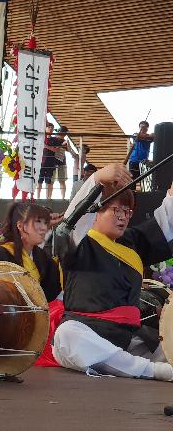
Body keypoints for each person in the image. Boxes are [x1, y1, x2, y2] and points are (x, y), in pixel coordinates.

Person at [52, 163, 173, 381]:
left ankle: (137, 367)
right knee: (67, 335)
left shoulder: (132, 242)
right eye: (116, 210)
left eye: (127, 211)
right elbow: (73, 220)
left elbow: (164, 222)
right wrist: (97, 179)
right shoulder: (79, 242)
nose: (123, 216)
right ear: (95, 212)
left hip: (127, 339)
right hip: (86, 334)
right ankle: (152, 370)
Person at [0, 203, 63, 303]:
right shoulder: (1, 255)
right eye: (37, 222)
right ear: (20, 226)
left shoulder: (42, 256)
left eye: (45, 223)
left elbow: (52, 293)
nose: (44, 228)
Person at [127, 120, 153, 190]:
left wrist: (147, 136)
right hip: (134, 161)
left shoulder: (150, 137)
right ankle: (132, 194)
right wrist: (145, 136)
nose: (143, 129)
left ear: (147, 129)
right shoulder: (136, 134)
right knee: (132, 180)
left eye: (145, 128)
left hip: (143, 162)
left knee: (144, 180)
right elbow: (137, 136)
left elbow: (153, 136)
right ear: (139, 128)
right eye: (141, 127)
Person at [37, 123, 58, 199]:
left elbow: (56, 150)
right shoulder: (41, 138)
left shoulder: (55, 139)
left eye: (52, 128)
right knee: (39, 181)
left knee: (48, 182)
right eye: (49, 127)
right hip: (41, 163)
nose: (50, 129)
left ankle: (48, 198)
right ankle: (38, 197)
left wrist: (46, 146)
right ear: (45, 128)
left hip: (50, 163)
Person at [52, 126, 70, 199]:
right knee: (51, 181)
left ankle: (63, 197)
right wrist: (62, 145)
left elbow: (68, 150)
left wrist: (67, 144)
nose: (64, 135)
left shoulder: (64, 140)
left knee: (62, 181)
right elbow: (54, 149)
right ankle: (49, 197)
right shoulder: (53, 139)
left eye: (65, 134)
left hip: (62, 162)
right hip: (52, 162)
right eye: (63, 133)